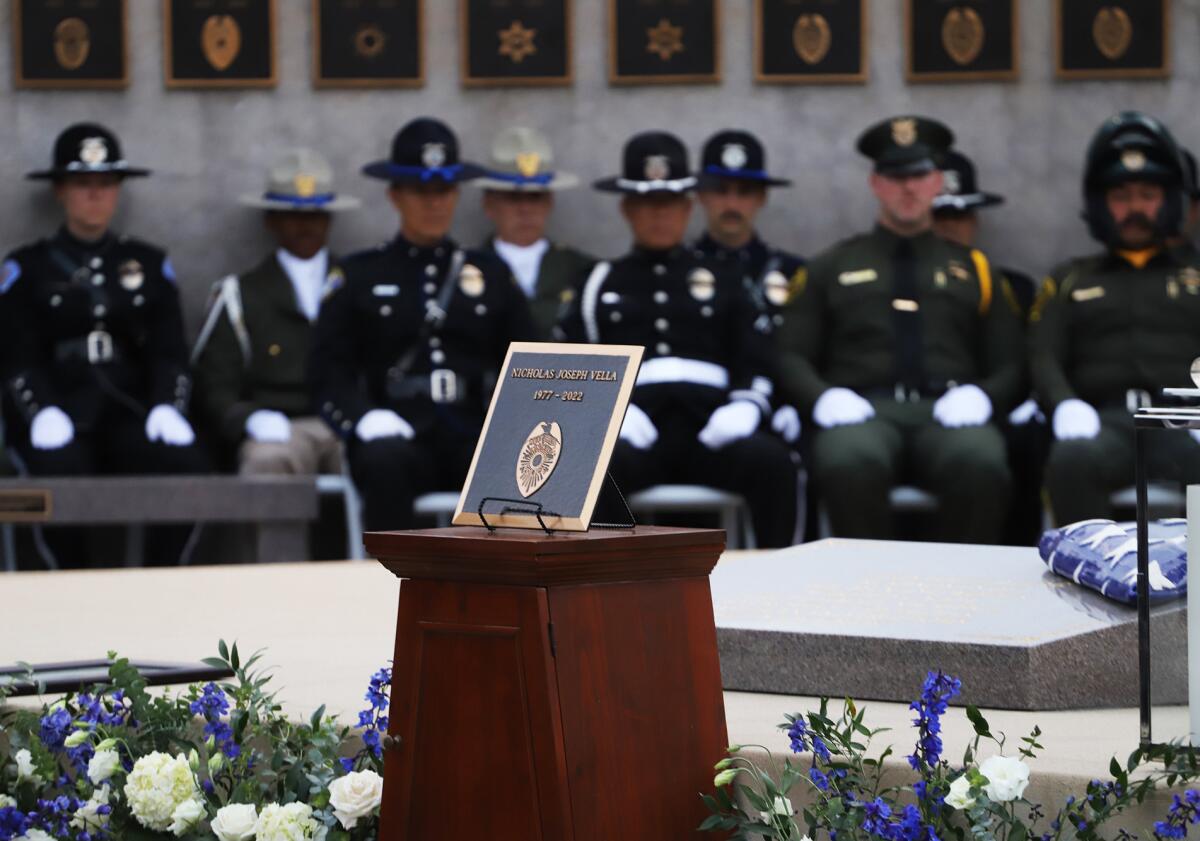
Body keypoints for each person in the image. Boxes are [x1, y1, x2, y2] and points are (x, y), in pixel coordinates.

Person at [776, 116, 1024, 543]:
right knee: (848, 461)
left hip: (948, 411)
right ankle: (866, 599)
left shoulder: (975, 269)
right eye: (895, 176)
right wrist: (823, 397)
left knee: (981, 461)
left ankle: (964, 595)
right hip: (865, 412)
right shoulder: (832, 266)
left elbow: (1014, 361)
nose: (908, 188)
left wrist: (984, 396)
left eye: (919, 175)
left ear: (937, 182)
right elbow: (790, 353)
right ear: (875, 183)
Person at [558, 130, 799, 547]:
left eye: (669, 204)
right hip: (636, 429)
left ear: (688, 207)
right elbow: (571, 364)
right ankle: (609, 591)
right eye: (647, 204)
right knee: (592, 470)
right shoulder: (597, 281)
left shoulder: (728, 278)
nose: (659, 215)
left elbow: (756, 355)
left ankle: (782, 588)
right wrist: (606, 415)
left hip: (713, 427)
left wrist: (747, 405)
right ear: (626, 209)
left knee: (774, 463)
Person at [309, 117, 535, 531]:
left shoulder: (491, 273)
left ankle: (507, 590)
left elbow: (530, 360)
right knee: (383, 463)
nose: (434, 203)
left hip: (474, 429)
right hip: (395, 428)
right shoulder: (360, 275)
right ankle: (390, 588)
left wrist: (514, 425)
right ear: (395, 195)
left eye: (444, 190)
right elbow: (328, 369)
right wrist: (362, 418)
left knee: (519, 471)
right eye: (420, 191)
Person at [0, 122, 208, 566]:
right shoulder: (26, 267)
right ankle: (70, 585)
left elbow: (169, 349)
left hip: (127, 406)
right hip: (60, 405)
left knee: (182, 460)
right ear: (60, 190)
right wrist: (40, 411)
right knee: (56, 470)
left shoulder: (148, 264)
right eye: (82, 183)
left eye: (106, 183)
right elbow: (16, 355)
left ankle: (164, 582)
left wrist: (168, 405)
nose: (95, 195)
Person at [1032, 111, 1200, 525]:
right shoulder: (1070, 278)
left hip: (1180, 422)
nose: (1135, 208)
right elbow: (1042, 355)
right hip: (1101, 424)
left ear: (1170, 199)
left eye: (1147, 195)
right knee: (1070, 461)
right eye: (1121, 197)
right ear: (1101, 204)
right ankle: (1080, 584)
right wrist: (1064, 404)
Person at [193, 148, 359, 480]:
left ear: (329, 219)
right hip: (279, 426)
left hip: (349, 419)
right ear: (271, 220)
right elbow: (215, 382)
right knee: (267, 462)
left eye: (315, 215)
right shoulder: (241, 294)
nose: (306, 225)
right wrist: (247, 418)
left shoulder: (357, 284)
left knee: (388, 460)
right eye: (292, 215)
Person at [932, 148, 1045, 545]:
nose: (948, 228)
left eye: (958, 217)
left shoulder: (1010, 286)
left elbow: (1025, 359)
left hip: (992, 409)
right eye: (938, 217)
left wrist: (996, 397)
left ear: (975, 221)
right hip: (920, 411)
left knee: (1025, 443)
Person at [691, 129, 806, 447]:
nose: (732, 203)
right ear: (701, 195)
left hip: (778, 410)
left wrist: (793, 402)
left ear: (762, 198)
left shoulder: (793, 273)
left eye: (744, 191)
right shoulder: (679, 272)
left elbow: (805, 349)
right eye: (721, 190)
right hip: (700, 411)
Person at [472, 126, 594, 337]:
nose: (525, 209)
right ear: (489, 204)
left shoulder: (582, 270)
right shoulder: (468, 269)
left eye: (535, 197)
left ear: (550, 202)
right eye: (513, 198)